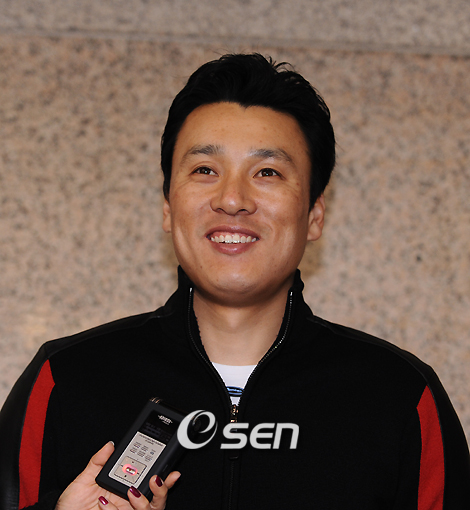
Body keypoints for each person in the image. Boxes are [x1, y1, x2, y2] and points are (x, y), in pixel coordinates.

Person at [0, 53, 469, 510]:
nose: (232, 199)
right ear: (168, 207)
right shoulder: (65, 379)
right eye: (205, 170)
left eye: (268, 172)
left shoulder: (399, 395)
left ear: (314, 215)